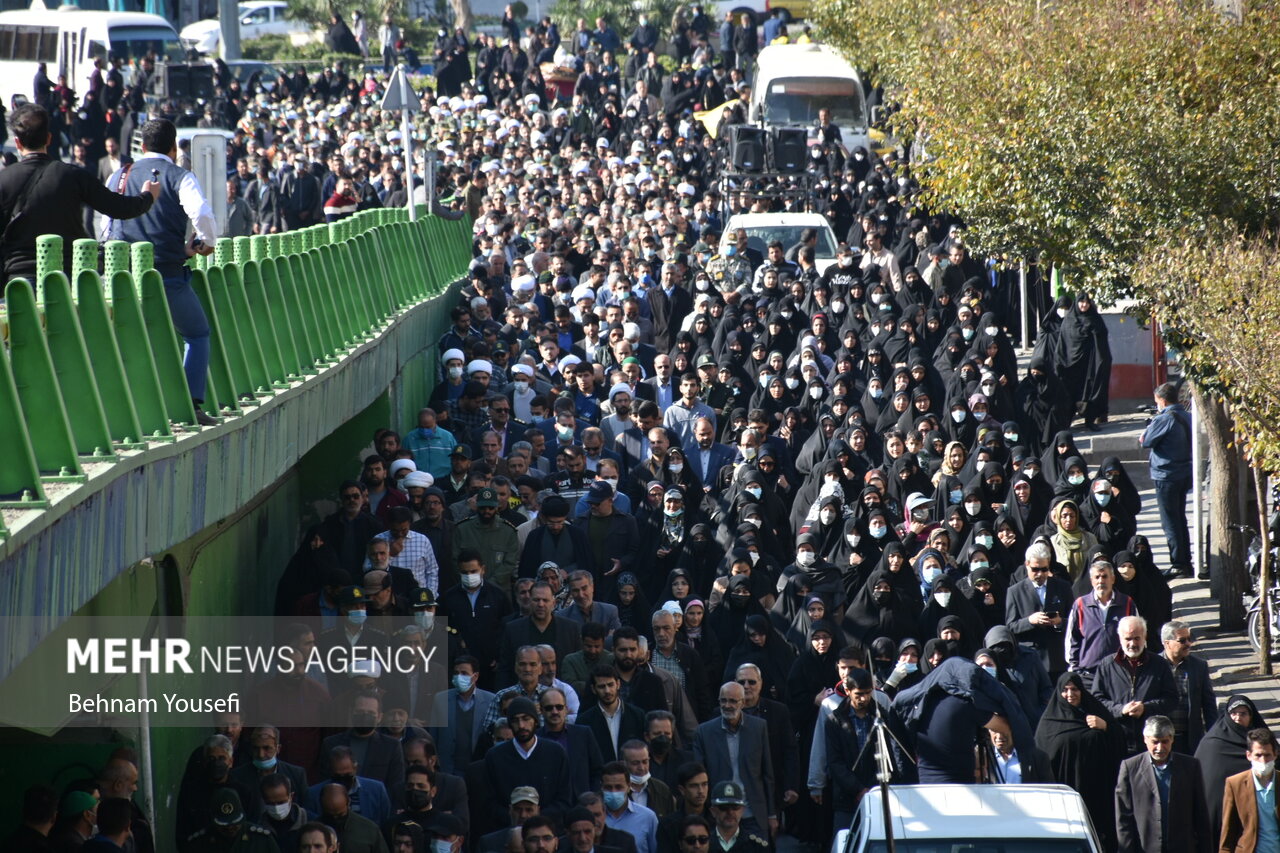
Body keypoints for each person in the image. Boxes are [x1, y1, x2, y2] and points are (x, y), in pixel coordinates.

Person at [105, 118, 217, 425]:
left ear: (142, 146)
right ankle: (190, 405)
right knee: (196, 334)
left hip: (121, 278)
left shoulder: (119, 175)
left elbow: (105, 227)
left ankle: (119, 413)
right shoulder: (180, 176)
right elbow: (202, 214)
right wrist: (206, 243)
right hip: (166, 276)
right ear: (173, 147)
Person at [0, 103, 156, 280]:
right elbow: (120, 208)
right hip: (67, 278)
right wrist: (148, 196)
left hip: (18, 279)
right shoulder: (72, 175)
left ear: (17, 142)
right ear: (49, 138)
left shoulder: (4, 180)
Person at [1114, 715, 1211, 853]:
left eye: (1165, 741)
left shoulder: (1190, 766)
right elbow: (1123, 818)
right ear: (1145, 740)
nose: (1160, 748)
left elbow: (1200, 814)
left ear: (1172, 739)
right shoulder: (1130, 768)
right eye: (1155, 742)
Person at [1093, 615, 1178, 756]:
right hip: (1117, 739)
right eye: (1128, 639)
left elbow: (1172, 699)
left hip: (1151, 743)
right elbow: (1097, 700)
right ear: (1120, 639)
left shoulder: (1159, 664)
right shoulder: (1107, 665)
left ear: (1145, 637)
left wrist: (1146, 707)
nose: (1132, 643)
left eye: (1137, 638)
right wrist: (1120, 709)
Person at [1140, 382, 1194, 579]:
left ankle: (1179, 563)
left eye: (1157, 402)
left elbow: (1145, 441)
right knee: (1179, 519)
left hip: (1167, 475)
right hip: (1183, 473)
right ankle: (1184, 560)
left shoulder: (1165, 418)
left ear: (1162, 400)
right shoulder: (1186, 415)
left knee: (1170, 522)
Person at [1157, 619, 1216, 754]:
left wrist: (1213, 736)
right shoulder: (1154, 666)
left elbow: (1209, 704)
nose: (1188, 644)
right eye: (1182, 640)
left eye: (1189, 639)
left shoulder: (1199, 666)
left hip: (1190, 739)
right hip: (1162, 738)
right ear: (1167, 643)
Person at [1218, 727, 1280, 853]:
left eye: (1267, 755)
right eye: (1258, 755)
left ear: (1275, 754)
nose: (1263, 761)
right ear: (1249, 755)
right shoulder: (1235, 784)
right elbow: (1228, 831)